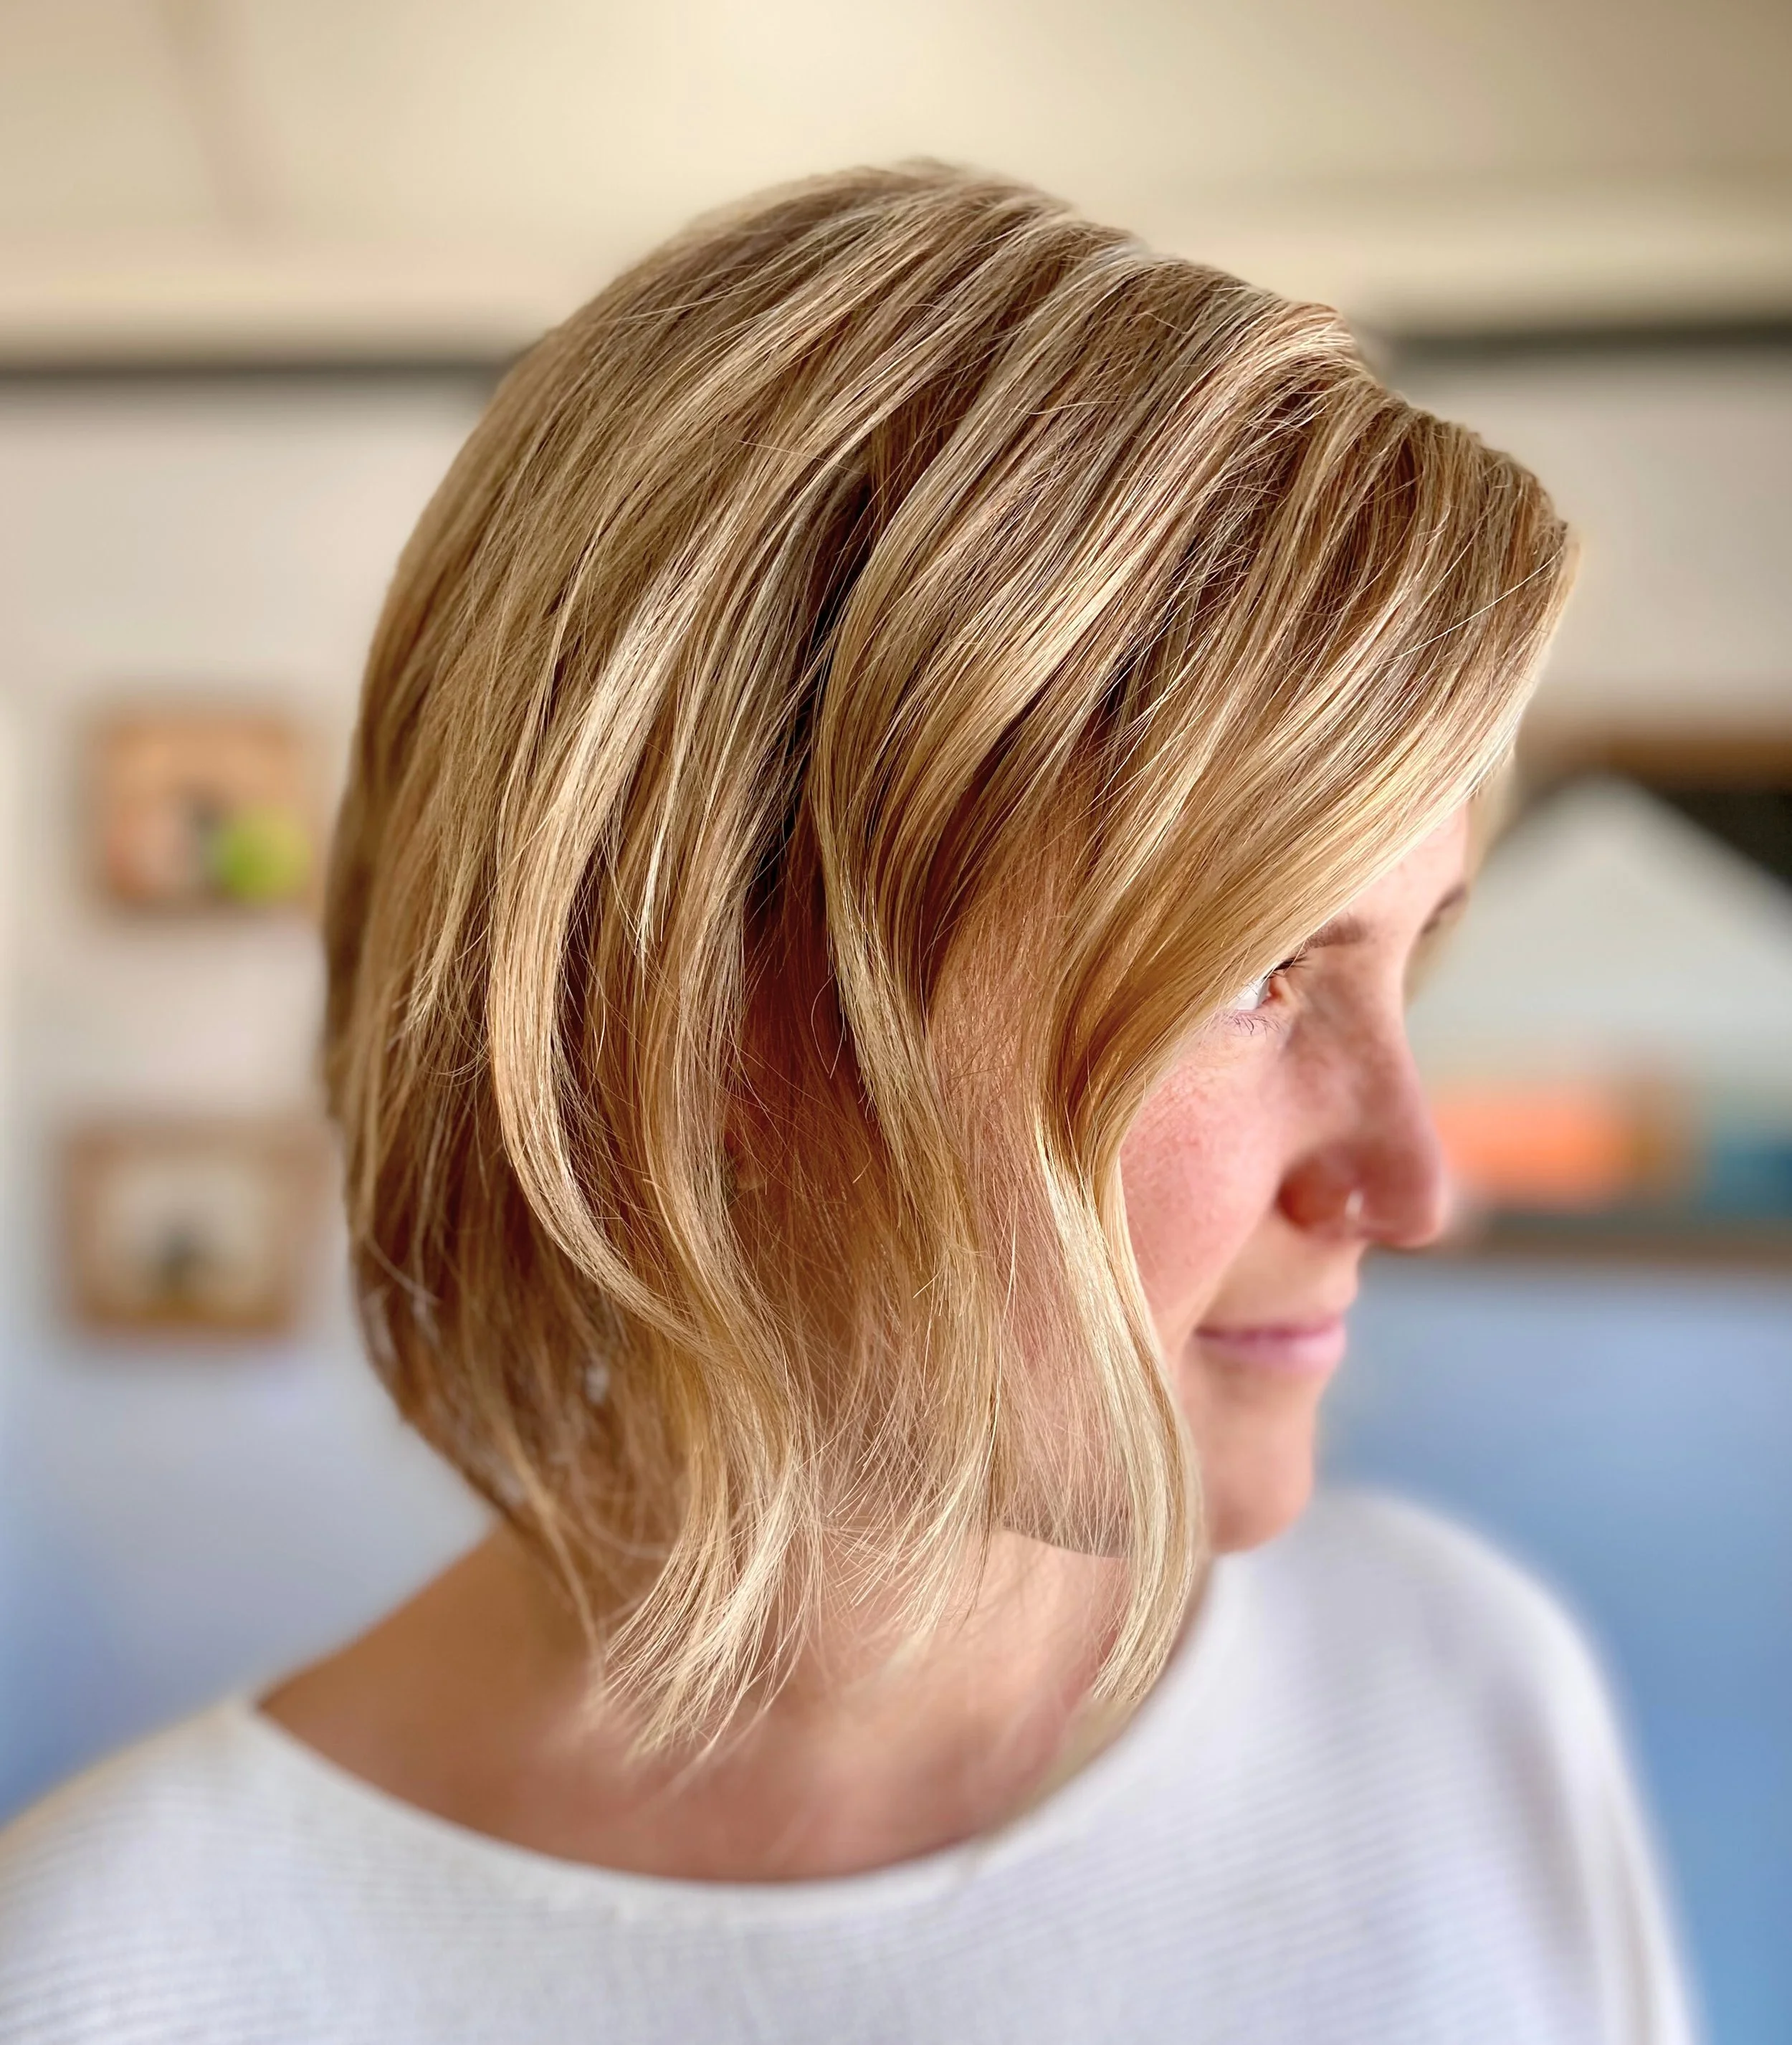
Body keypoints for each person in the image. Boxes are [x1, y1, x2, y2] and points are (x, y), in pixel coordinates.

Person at [0, 163, 1696, 2044]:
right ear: (682, 1007)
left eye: (1410, 950)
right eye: (1249, 973)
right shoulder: (126, 1975)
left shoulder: (1463, 1696)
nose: (1408, 1180)